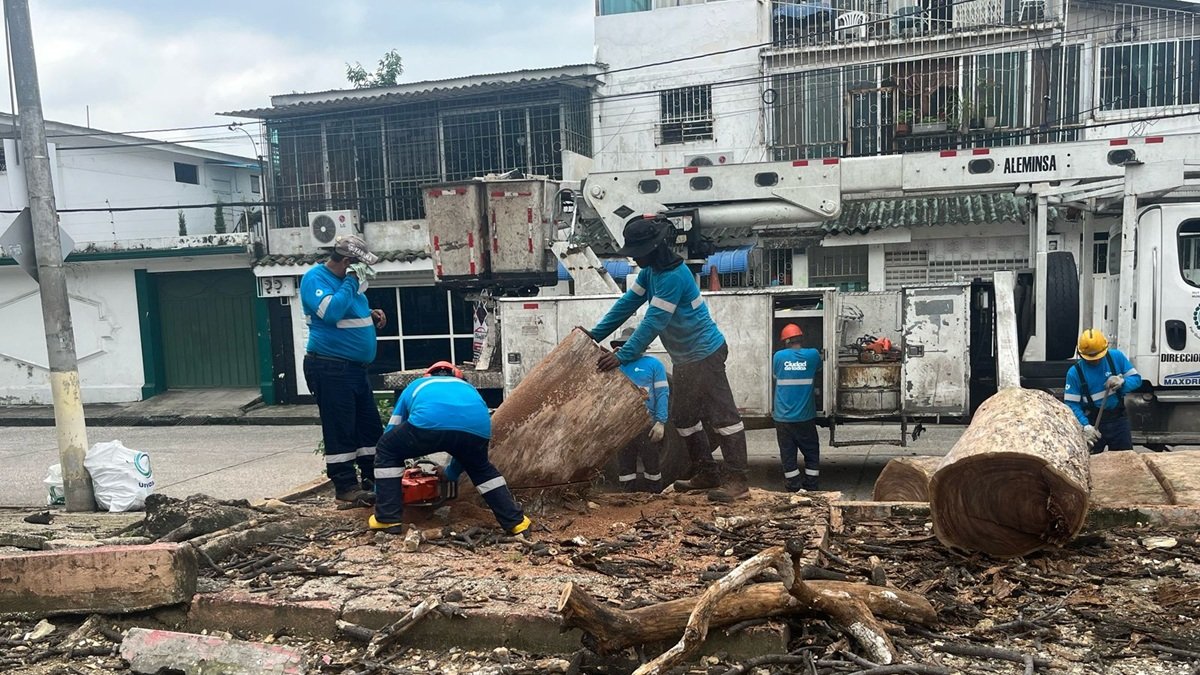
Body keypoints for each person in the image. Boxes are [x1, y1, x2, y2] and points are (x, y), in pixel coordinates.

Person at [587, 216, 749, 502]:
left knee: (724, 418)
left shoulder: (674, 277)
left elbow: (653, 323)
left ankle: (738, 480)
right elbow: (627, 304)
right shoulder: (650, 273)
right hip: (686, 358)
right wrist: (593, 334)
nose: (635, 257)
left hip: (706, 353)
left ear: (656, 247)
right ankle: (706, 472)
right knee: (685, 418)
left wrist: (622, 355)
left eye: (639, 251)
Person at [369, 361, 531, 536]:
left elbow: (394, 427)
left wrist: (382, 489)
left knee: (387, 448)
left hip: (427, 424)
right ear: (458, 376)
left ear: (428, 375)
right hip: (477, 429)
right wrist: (449, 474)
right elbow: (462, 435)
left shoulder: (417, 384)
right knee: (480, 468)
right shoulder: (468, 388)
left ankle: (387, 519)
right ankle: (516, 523)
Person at [300, 234, 386, 506]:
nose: (364, 273)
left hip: (355, 369)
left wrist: (370, 314)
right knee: (341, 428)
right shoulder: (316, 279)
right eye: (360, 267)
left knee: (368, 427)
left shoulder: (350, 286)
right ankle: (345, 486)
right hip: (329, 366)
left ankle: (374, 478)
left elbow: (349, 310)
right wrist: (350, 279)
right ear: (349, 263)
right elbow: (332, 312)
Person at [1064, 328, 1142, 454]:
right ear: (1080, 353)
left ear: (1105, 348)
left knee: (1124, 461)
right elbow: (1072, 405)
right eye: (1090, 358)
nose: (1095, 360)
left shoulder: (1116, 357)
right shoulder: (1075, 373)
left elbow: (1137, 380)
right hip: (1093, 423)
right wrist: (1085, 426)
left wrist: (1123, 382)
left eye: (1098, 356)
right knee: (1091, 464)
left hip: (1118, 420)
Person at [610, 327, 669, 492]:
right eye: (624, 345)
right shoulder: (615, 365)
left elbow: (662, 394)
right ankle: (627, 499)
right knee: (625, 466)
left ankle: (654, 497)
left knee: (652, 465)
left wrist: (660, 422)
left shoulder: (654, 365)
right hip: (622, 427)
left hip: (647, 425)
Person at [772, 324, 823, 492]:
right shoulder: (813, 355)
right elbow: (820, 369)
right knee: (811, 452)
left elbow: (774, 375)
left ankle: (794, 487)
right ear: (801, 338)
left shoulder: (778, 357)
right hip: (805, 417)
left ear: (785, 341)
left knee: (788, 455)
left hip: (782, 418)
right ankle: (811, 486)